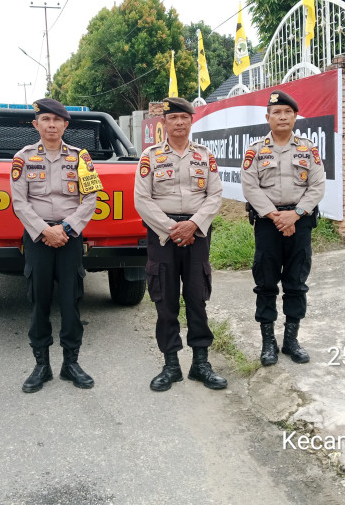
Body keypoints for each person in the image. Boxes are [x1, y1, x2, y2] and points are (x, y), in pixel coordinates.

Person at [134, 97, 226, 392]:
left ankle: (201, 364)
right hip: (163, 234)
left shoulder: (205, 156)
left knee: (197, 298)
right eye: (173, 118)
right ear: (164, 122)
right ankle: (171, 365)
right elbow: (142, 199)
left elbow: (215, 195)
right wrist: (171, 228)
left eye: (184, 117)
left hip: (196, 232)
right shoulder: (149, 156)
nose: (179, 123)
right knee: (166, 299)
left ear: (191, 121)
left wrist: (194, 225)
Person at [10, 98, 101, 392]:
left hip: (69, 236)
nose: (51, 125)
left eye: (56, 120)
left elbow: (90, 199)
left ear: (65, 125)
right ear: (36, 125)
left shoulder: (81, 158)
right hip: (38, 239)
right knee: (39, 301)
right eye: (45, 120)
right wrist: (44, 230)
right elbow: (20, 202)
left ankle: (70, 364)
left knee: (72, 300)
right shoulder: (22, 158)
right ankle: (42, 365)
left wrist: (66, 228)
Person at [241, 89, 325, 367]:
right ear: (268, 117)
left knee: (296, 282)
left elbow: (317, 185)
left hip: (300, 223)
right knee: (265, 283)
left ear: (295, 116)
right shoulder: (255, 151)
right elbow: (250, 187)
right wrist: (276, 216)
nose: (282, 116)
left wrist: (296, 214)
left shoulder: (308, 149)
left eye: (287, 112)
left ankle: (291, 341)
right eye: (276, 112)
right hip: (268, 223)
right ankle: (268, 343)